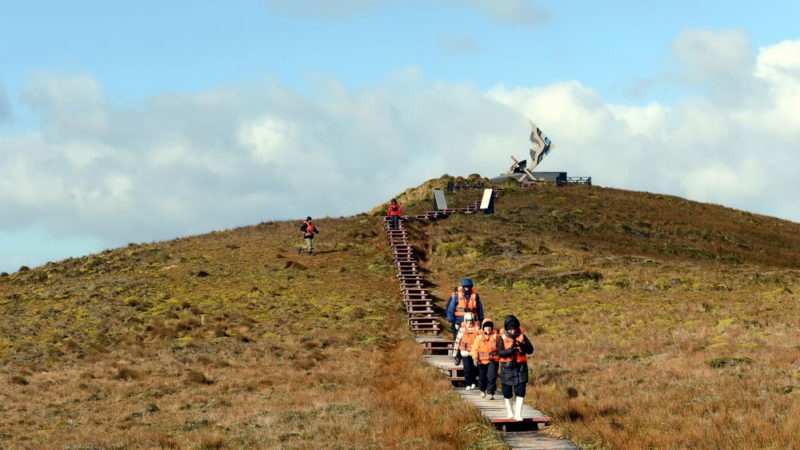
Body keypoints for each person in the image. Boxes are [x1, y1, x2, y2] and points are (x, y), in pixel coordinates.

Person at [497, 315, 534, 420]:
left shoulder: (523, 337)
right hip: (507, 368)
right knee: (507, 392)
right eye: (510, 329)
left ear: (518, 327)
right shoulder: (502, 338)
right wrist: (511, 350)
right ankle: (510, 411)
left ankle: (518, 414)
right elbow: (500, 353)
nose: (513, 331)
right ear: (506, 328)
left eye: (514, 328)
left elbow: (531, 350)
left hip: (521, 367)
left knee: (521, 390)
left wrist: (522, 346)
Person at [471, 317, 499, 399]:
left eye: (490, 326)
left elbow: (501, 348)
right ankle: (482, 390)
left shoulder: (497, 337)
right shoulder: (478, 338)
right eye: (486, 326)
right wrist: (474, 358)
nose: (488, 328)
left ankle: (490, 393)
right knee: (482, 378)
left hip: (493, 361)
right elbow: (474, 349)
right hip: (481, 362)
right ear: (483, 327)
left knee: (492, 377)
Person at [453, 312, 480, 390]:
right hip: (464, 352)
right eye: (468, 320)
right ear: (465, 320)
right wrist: (455, 354)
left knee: (474, 368)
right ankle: (468, 383)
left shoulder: (477, 329)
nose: (469, 322)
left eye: (471, 320)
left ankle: (473, 382)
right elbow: (457, 341)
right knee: (467, 369)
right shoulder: (462, 329)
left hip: (474, 352)